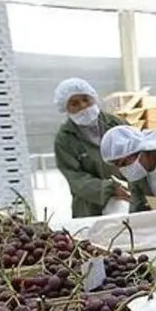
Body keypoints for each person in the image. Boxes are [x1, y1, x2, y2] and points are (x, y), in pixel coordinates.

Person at [52, 78, 131, 217]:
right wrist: (109, 189)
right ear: (65, 108)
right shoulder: (65, 139)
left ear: (93, 98)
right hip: (89, 206)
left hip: (127, 196)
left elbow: (137, 154)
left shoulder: (116, 124)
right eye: (74, 103)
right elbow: (75, 177)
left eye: (85, 99)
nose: (83, 106)